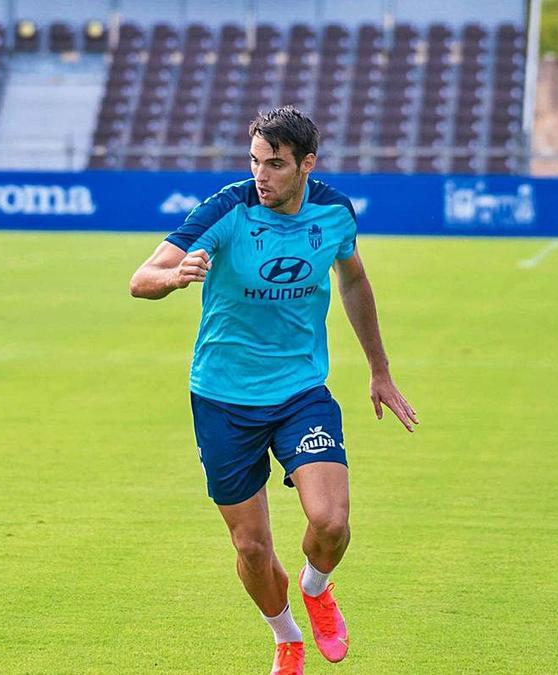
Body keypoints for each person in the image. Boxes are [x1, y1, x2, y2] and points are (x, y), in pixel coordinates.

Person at [129, 106, 418, 675]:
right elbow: (142, 280)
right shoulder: (228, 208)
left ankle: (316, 589)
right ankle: (286, 638)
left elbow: (354, 279)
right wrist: (177, 275)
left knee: (332, 524)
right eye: (256, 161)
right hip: (222, 397)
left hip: (300, 392)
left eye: (276, 164)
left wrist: (379, 370)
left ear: (307, 163)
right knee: (253, 550)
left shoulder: (334, 212)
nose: (262, 175)